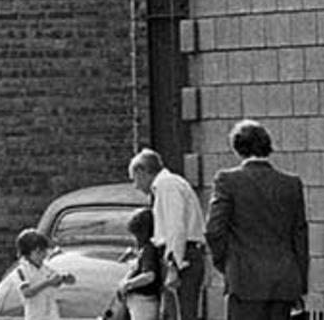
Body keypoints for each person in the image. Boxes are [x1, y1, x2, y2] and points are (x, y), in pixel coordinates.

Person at [206, 120, 308, 320]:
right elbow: (300, 236)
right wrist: (300, 283)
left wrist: (226, 263)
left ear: (237, 148)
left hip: (244, 279)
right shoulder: (291, 184)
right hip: (284, 280)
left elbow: (214, 229)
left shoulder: (227, 181)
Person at [128, 148, 206, 320]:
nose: (136, 186)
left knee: (182, 314)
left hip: (182, 257)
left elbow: (175, 227)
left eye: (135, 179)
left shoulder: (167, 185)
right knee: (172, 314)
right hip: (180, 255)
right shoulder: (165, 186)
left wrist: (173, 265)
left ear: (142, 172)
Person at [15, 228, 75, 320]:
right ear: (27, 254)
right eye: (38, 252)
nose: (43, 255)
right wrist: (48, 282)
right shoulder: (21, 271)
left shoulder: (46, 269)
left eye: (44, 251)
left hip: (52, 315)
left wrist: (64, 278)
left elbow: (58, 281)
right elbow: (27, 292)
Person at [118, 209, 163, 320]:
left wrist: (128, 284)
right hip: (138, 302)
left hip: (143, 303)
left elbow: (149, 275)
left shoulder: (148, 250)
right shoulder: (145, 250)